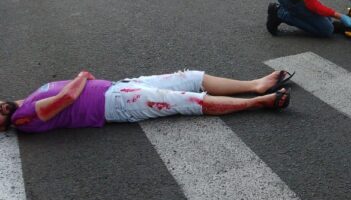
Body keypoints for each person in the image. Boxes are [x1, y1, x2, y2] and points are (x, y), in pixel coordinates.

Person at [0, 69, 293, 134]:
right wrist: (82, 76)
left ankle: (254, 85)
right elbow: (65, 98)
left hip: (118, 88)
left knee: (192, 76)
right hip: (117, 104)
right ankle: (260, 102)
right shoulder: (22, 118)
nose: (1, 110)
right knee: (188, 100)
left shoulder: (21, 102)